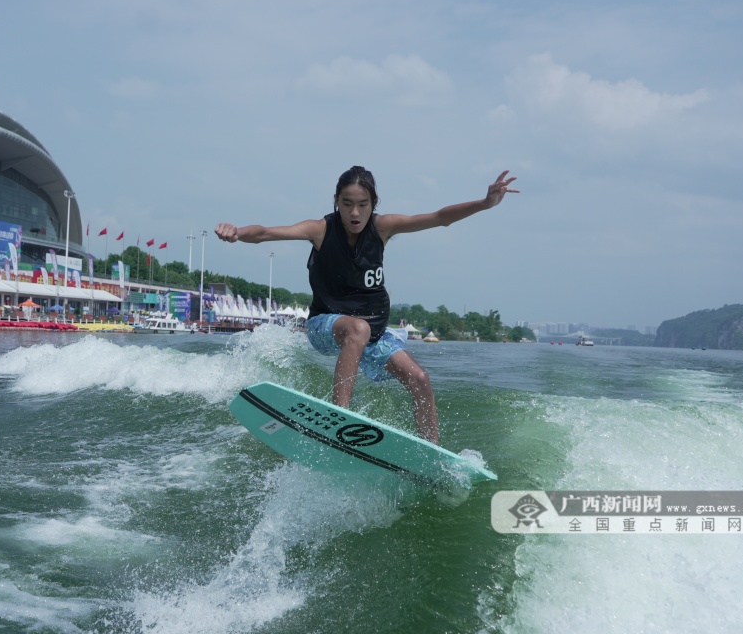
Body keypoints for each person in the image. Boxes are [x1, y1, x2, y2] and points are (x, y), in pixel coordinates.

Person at [215, 166, 519, 444]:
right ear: (336, 201)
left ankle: (431, 450)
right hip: (325, 325)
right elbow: (266, 233)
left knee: (420, 379)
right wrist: (237, 233)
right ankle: (339, 417)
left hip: (372, 332)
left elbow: (439, 218)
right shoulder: (320, 230)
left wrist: (484, 203)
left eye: (363, 204)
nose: (355, 212)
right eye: (347, 204)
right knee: (356, 328)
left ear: (374, 203)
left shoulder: (382, 228)